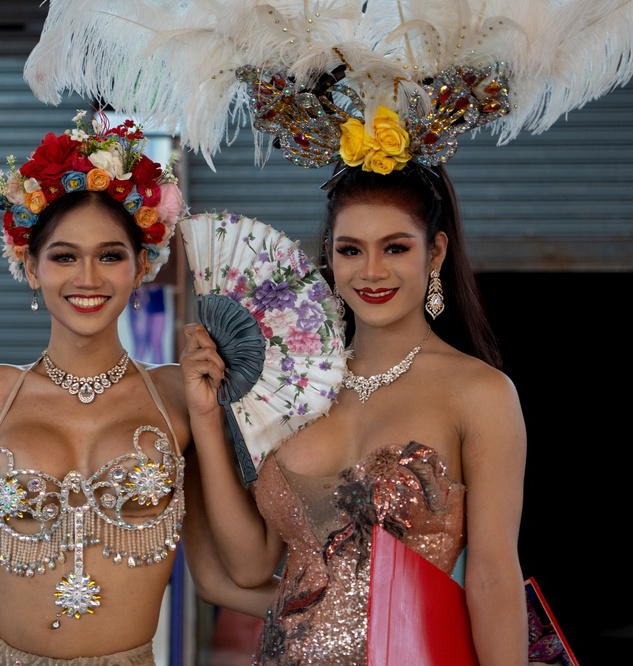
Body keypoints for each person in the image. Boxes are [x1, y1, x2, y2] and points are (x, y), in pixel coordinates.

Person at [0, 110, 196, 666]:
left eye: (110, 256)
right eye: (64, 257)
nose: (87, 278)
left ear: (142, 266)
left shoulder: (179, 396)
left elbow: (227, 568)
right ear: (30, 267)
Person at [181, 160, 529, 665]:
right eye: (351, 250)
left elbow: (493, 577)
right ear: (329, 254)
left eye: (395, 248)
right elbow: (249, 567)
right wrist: (205, 419)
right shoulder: (293, 385)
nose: (371, 272)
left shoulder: (480, 394)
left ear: (435, 252)